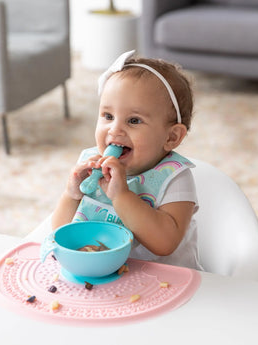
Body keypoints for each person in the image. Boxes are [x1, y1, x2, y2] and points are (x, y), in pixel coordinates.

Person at [51, 50, 202, 270]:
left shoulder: (175, 177)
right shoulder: (91, 164)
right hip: (104, 276)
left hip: (166, 282)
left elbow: (165, 243)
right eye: (108, 116)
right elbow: (61, 235)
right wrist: (72, 195)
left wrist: (121, 196)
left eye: (133, 120)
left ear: (171, 137)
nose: (115, 129)